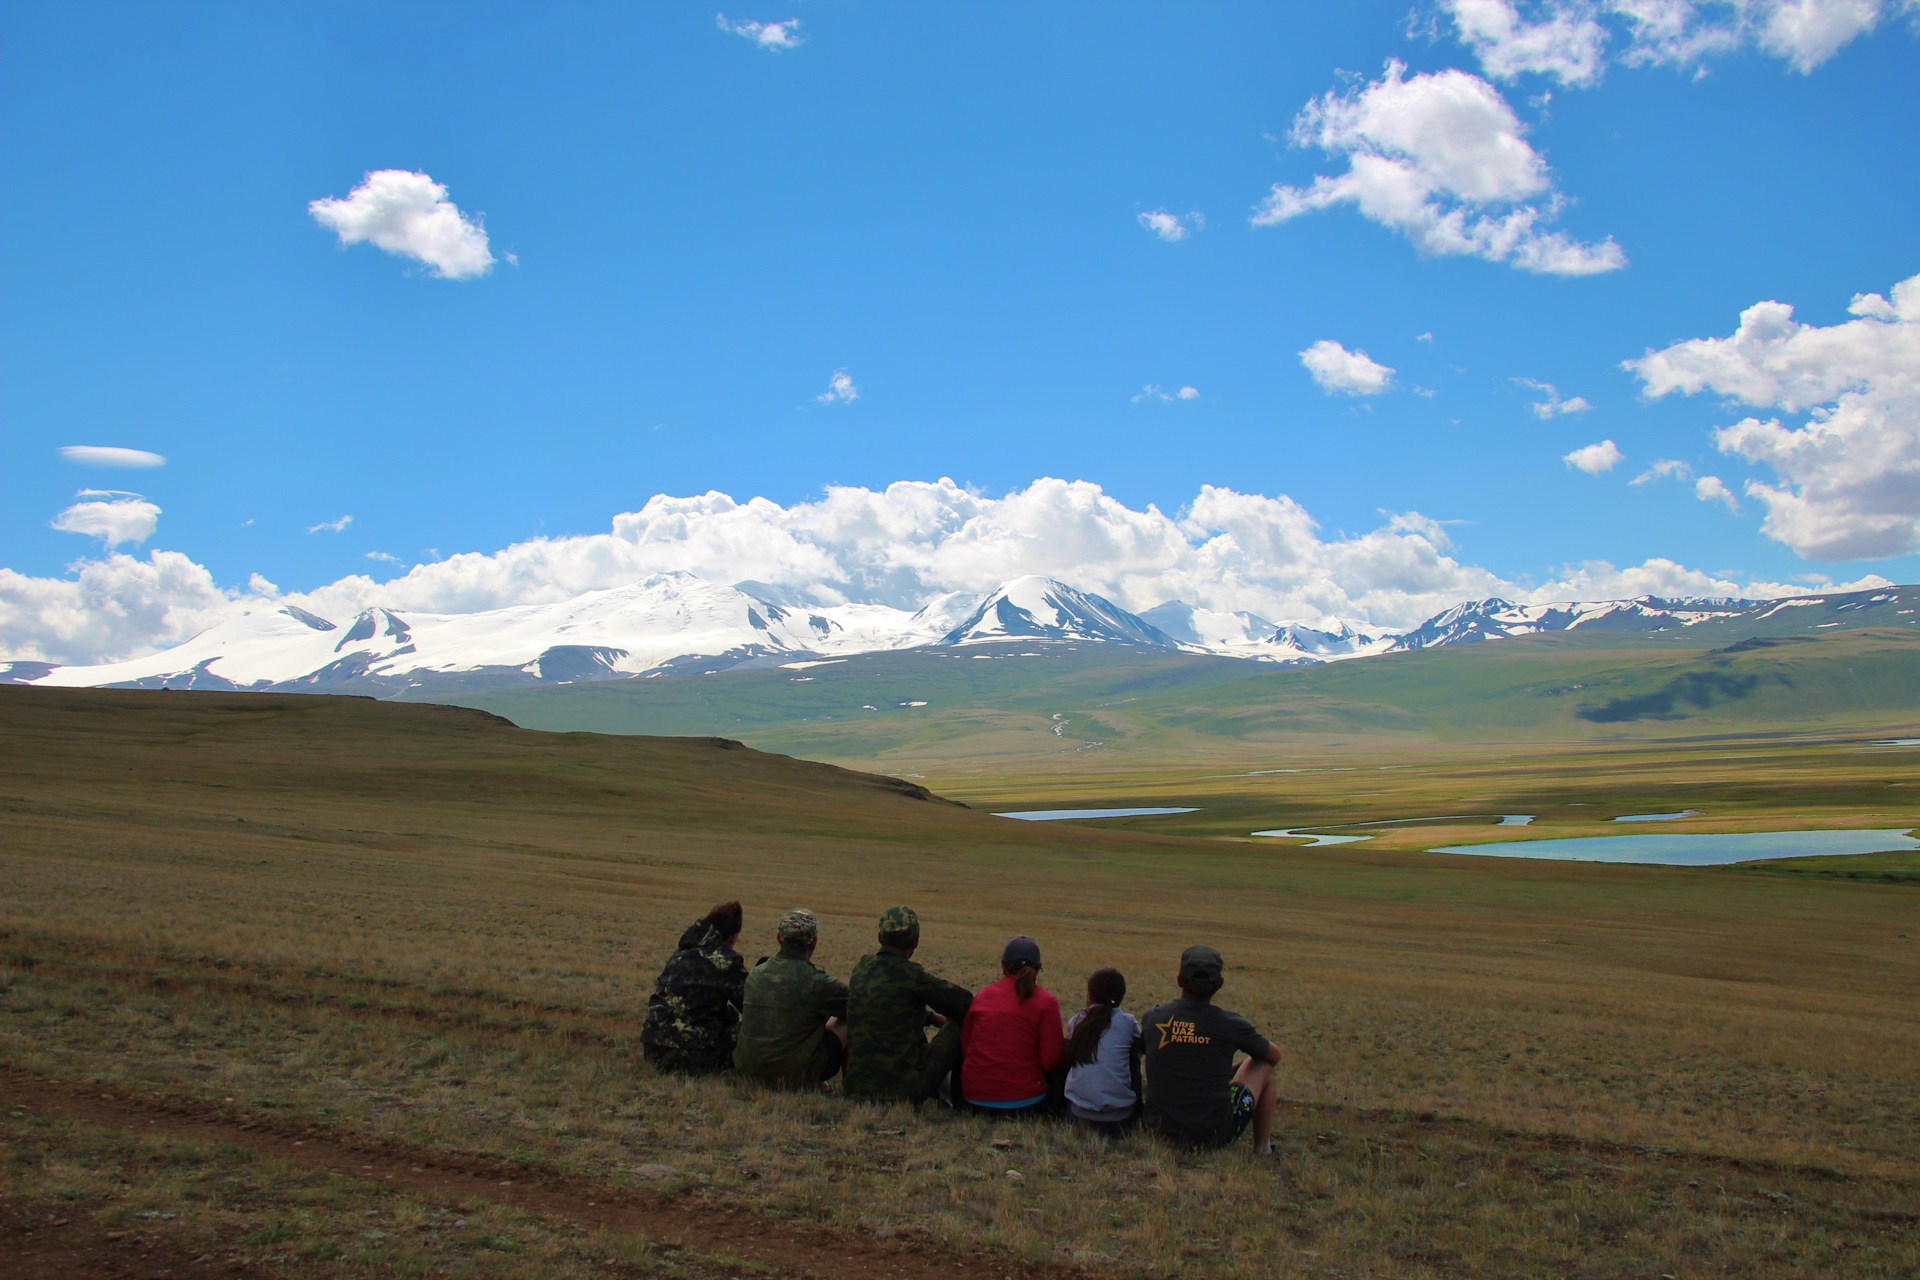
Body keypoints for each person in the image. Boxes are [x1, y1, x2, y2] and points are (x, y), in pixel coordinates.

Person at [1138, 944, 1280, 1153]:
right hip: (1213, 1136)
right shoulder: (1230, 1023)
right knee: (1263, 1066)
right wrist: (1239, 1068)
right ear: (1220, 984)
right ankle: (1263, 1149)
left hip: (1157, 1129)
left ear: (1179, 980)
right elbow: (1274, 1056)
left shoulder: (1154, 1017)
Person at [844, 905, 974, 1105]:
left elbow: (891, 1006)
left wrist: (930, 1018)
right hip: (905, 1091)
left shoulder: (861, 967)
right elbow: (964, 1003)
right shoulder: (914, 977)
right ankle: (959, 1100)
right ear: (916, 942)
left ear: (880, 937)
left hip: (856, 1088)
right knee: (959, 1023)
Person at [732, 907, 850, 1089]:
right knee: (845, 1021)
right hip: (794, 1075)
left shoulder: (756, 973)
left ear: (779, 938)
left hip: (746, 1069)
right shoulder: (818, 982)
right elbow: (857, 1006)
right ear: (814, 942)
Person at [960, 935, 1066, 1117]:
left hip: (974, 1099)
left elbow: (966, 1048)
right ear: (1038, 969)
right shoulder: (1047, 1002)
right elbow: (1050, 1061)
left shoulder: (983, 996)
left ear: (1003, 966)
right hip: (1026, 1103)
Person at [640, 901, 748, 1075]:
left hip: (652, 1050)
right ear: (733, 936)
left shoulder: (680, 954)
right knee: (751, 1031)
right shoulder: (724, 961)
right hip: (690, 1054)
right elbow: (752, 1005)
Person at [1064, 966, 1142, 1135]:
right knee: (1131, 1054)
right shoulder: (1128, 1023)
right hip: (1119, 1120)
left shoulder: (1076, 1021)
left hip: (1077, 1115)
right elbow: (1141, 1046)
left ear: (1090, 995)